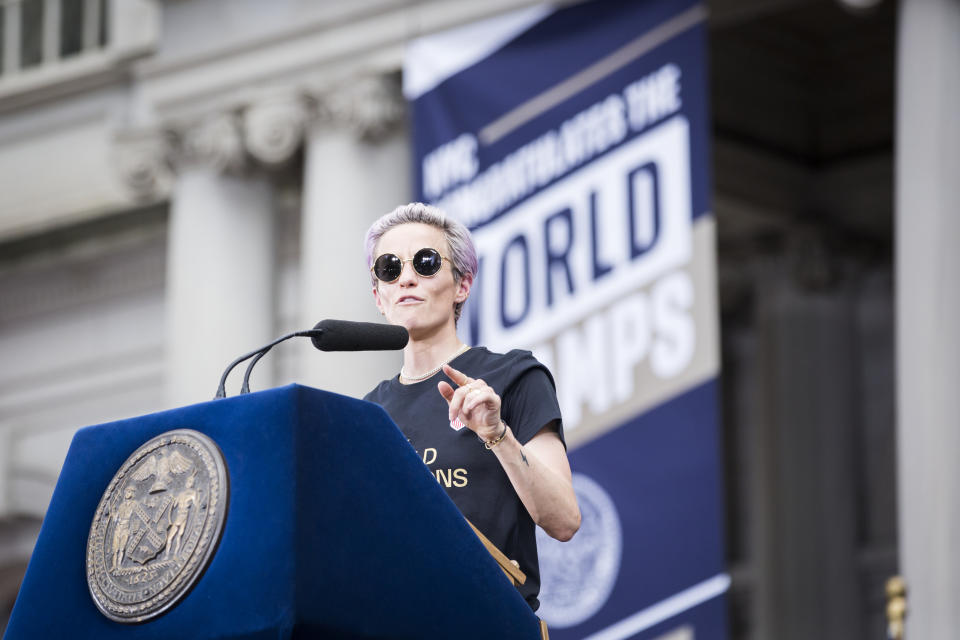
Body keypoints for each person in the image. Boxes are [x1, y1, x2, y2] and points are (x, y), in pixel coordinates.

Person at [362, 202, 580, 611]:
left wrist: (497, 435)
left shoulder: (513, 374)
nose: (406, 277)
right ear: (379, 295)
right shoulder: (368, 413)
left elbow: (564, 519)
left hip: (487, 617)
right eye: (390, 268)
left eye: (425, 263)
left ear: (462, 285)